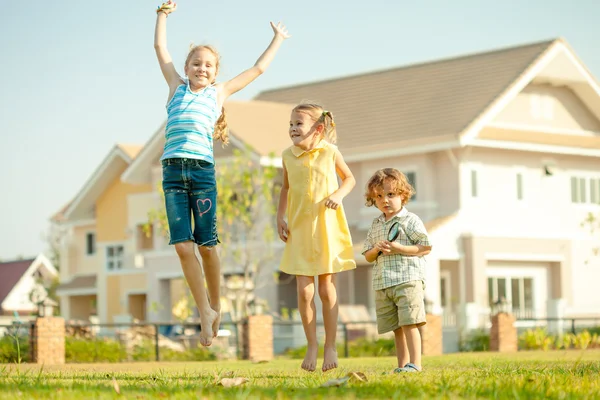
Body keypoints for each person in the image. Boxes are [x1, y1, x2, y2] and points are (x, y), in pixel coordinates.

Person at [154, 1, 290, 346]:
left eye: (209, 65)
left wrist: (277, 40)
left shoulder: (218, 93)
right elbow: (159, 47)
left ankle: (216, 303)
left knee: (208, 247)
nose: (202, 68)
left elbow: (257, 69)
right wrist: (162, 15)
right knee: (183, 248)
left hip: (201, 173)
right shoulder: (176, 87)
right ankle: (205, 311)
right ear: (186, 67)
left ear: (215, 73)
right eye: (196, 63)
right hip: (172, 172)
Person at [277, 103, 356, 372]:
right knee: (304, 291)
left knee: (325, 289)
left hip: (326, 228)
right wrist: (280, 217)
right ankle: (312, 345)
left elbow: (349, 180)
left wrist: (338, 195)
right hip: (299, 229)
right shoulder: (287, 156)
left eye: (298, 124)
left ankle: (330, 345)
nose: (292, 129)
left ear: (318, 129)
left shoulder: (330, 152)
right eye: (290, 124)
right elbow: (285, 187)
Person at [361, 168, 432, 372]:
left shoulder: (410, 220)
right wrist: (376, 249)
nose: (385, 200)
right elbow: (367, 255)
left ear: (403, 195)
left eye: (391, 195)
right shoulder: (376, 225)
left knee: (410, 323)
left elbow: (425, 247)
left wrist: (399, 248)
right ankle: (402, 366)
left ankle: (415, 364)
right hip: (384, 282)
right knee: (397, 328)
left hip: (408, 279)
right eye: (379, 196)